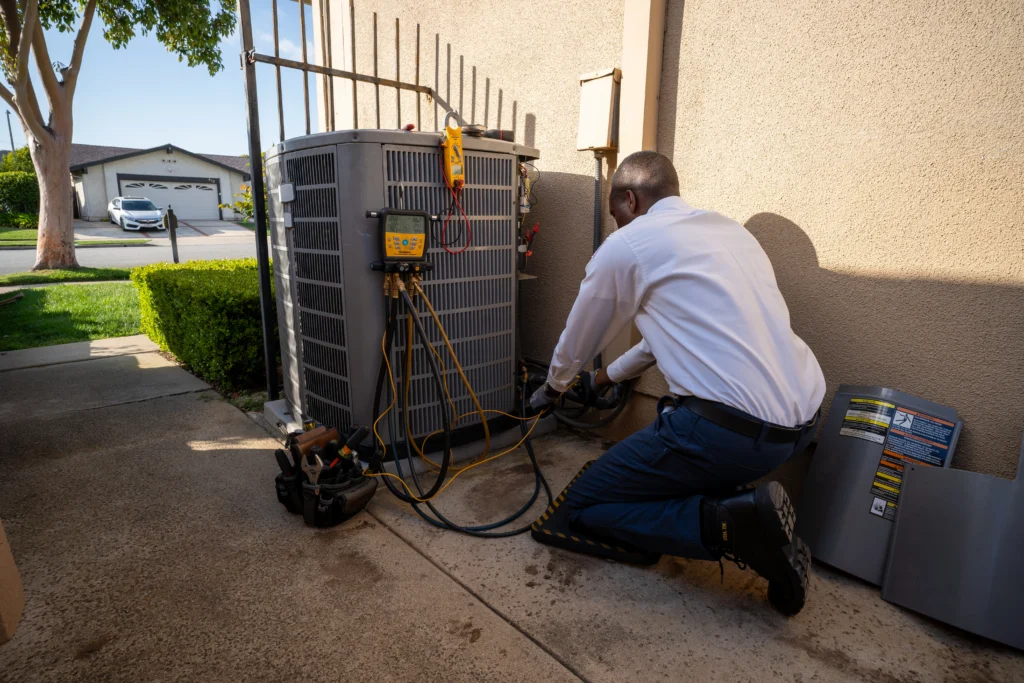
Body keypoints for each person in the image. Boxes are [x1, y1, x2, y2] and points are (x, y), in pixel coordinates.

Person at [530, 151, 825, 615]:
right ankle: (739, 505)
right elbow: (662, 340)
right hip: (802, 426)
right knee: (658, 463)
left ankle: (731, 525)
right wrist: (604, 377)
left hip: (729, 434)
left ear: (629, 199)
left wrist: (553, 388)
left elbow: (579, 336)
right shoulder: (730, 233)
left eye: (616, 216)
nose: (616, 227)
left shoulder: (631, 245)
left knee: (584, 507)